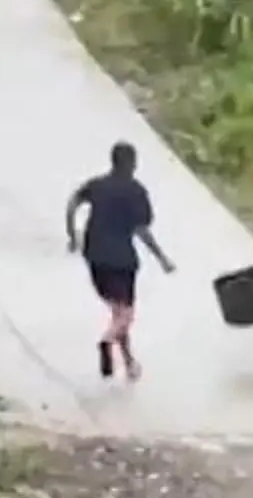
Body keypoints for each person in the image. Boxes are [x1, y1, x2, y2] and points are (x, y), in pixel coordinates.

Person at [65, 140, 174, 379]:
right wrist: (162, 257)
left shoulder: (97, 185)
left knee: (117, 311)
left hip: (94, 256)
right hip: (122, 261)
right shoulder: (136, 192)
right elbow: (142, 230)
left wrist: (72, 234)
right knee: (126, 315)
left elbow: (73, 202)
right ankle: (107, 340)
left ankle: (128, 362)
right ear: (132, 163)